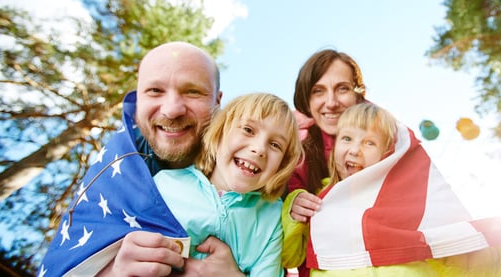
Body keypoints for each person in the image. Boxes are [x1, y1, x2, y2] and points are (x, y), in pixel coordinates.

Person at [39, 42, 244, 276]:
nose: (172, 110)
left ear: (217, 101)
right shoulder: (106, 179)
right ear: (138, 101)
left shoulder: (258, 174)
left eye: (193, 92)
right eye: (155, 91)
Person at [285, 103, 501, 276]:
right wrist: (293, 211)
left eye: (369, 142)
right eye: (346, 138)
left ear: (388, 154)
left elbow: (473, 262)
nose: (354, 149)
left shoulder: (415, 207)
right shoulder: (319, 202)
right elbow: (289, 256)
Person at [153, 93, 302, 276]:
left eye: (275, 145)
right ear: (220, 132)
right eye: (248, 130)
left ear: (282, 165)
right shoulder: (166, 185)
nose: (259, 149)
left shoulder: (271, 216)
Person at [284, 48, 367, 277]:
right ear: (306, 100)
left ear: (358, 94)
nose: (331, 102)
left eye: (342, 89)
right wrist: (293, 204)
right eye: (318, 91)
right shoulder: (295, 152)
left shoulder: (386, 141)